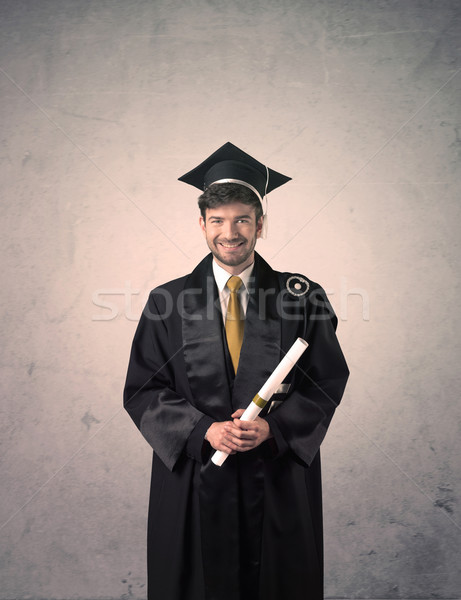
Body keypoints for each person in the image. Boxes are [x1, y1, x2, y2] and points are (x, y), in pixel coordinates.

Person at [123, 142, 349, 600]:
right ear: (202, 224)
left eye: (243, 219)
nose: (231, 232)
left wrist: (275, 429)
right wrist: (203, 431)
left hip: (275, 477)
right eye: (218, 220)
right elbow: (143, 389)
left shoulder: (302, 296)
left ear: (260, 224)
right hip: (196, 477)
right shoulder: (167, 301)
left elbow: (325, 382)